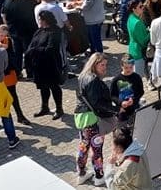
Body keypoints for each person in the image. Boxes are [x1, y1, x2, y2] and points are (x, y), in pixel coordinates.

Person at [73, 53, 116, 185]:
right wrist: (114, 110)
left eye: (106, 65)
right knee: (96, 148)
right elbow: (98, 104)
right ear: (94, 64)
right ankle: (98, 176)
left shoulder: (82, 77)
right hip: (92, 119)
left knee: (83, 146)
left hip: (81, 117)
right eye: (101, 65)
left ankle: (81, 173)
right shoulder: (93, 81)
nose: (104, 68)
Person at [25, 10, 65, 118]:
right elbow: (32, 44)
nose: (39, 22)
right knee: (43, 87)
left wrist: (35, 50)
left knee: (54, 86)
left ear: (45, 20)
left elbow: (51, 48)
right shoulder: (39, 31)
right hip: (39, 65)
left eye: (40, 20)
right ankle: (44, 107)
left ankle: (59, 108)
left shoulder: (55, 31)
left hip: (51, 65)